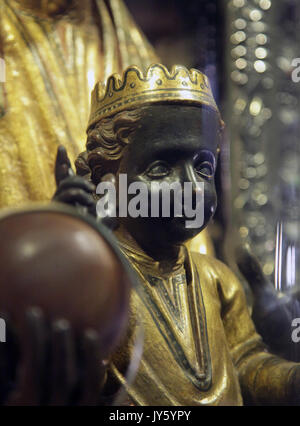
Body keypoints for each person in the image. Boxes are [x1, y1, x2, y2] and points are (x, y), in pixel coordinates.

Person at [54, 63, 300, 405]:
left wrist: (291, 378)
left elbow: (246, 365)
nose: (192, 189)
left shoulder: (217, 279)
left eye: (203, 168)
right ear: (107, 180)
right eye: (160, 168)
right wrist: (62, 259)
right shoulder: (100, 283)